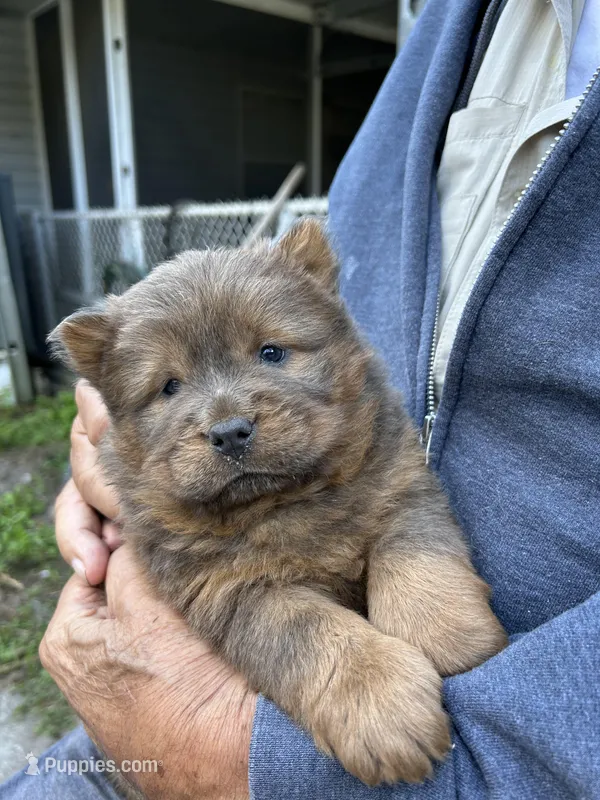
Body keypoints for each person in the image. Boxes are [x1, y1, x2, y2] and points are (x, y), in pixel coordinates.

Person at [2, 0, 600, 796]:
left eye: (272, 354)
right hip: (157, 718)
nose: (227, 419)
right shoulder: (449, 35)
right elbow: (227, 599)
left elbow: (402, 502)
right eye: (169, 387)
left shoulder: (370, 447)